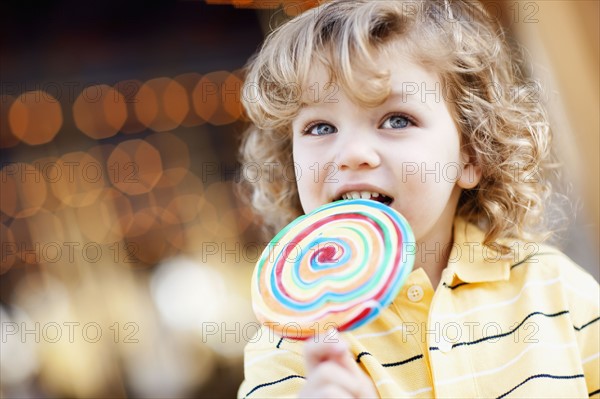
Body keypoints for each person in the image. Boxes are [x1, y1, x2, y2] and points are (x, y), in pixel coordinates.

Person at [236, 0, 599, 397]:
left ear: (472, 153)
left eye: (396, 120)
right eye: (321, 127)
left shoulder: (552, 289)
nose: (352, 153)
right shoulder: (289, 348)